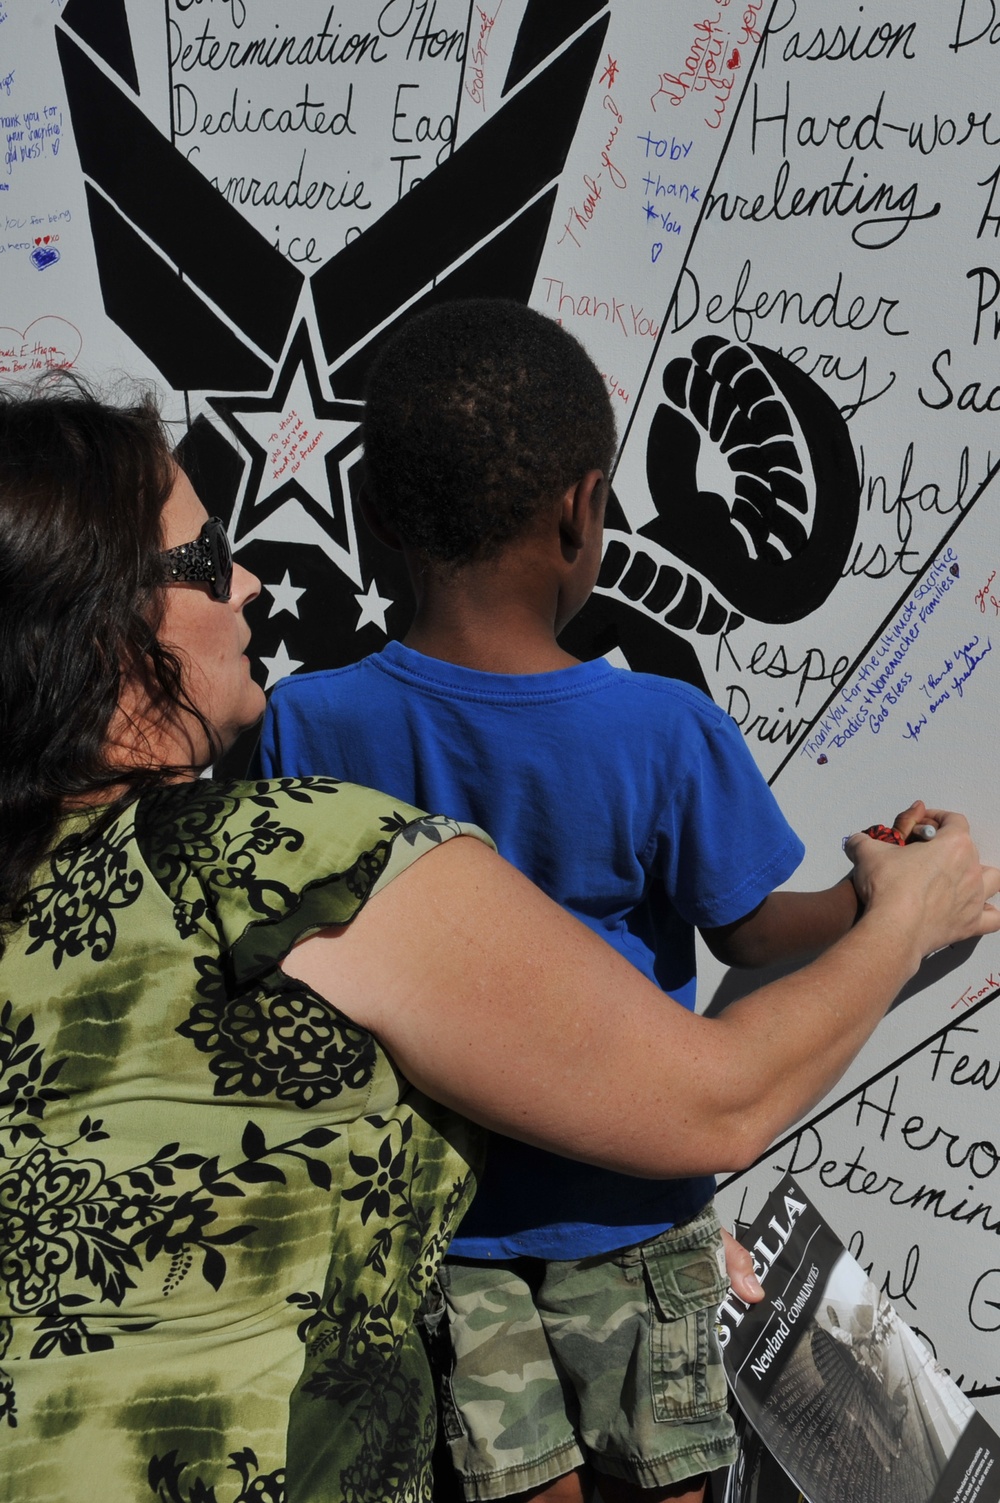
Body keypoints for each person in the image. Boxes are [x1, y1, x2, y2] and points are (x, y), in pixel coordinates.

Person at [0, 380, 996, 1503]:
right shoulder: (318, 860)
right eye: (201, 559)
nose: (247, 581)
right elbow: (721, 1068)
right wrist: (903, 909)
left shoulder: (292, 739)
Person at [253, 299, 978, 1503]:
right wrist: (884, 897)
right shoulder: (661, 728)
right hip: (635, 1222)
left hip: (434, 1237)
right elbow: (748, 929)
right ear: (583, 512)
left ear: (371, 516)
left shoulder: (306, 724)